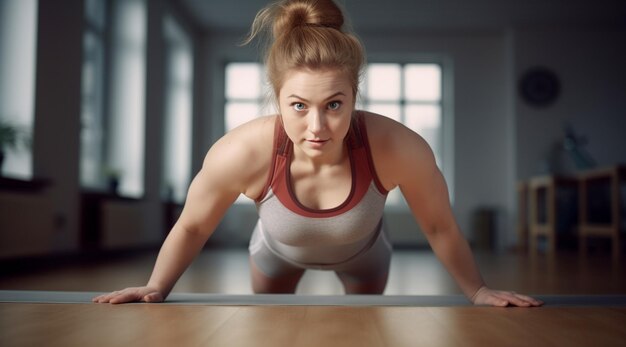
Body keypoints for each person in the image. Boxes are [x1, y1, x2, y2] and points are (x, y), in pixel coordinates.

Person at [93, 0, 543, 307]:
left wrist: (478, 290)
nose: (317, 127)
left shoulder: (397, 146)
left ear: (354, 95)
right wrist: (156, 287)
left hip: (366, 258)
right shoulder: (242, 151)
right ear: (277, 98)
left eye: (334, 105)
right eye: (298, 106)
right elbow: (192, 225)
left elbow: (440, 226)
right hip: (274, 256)